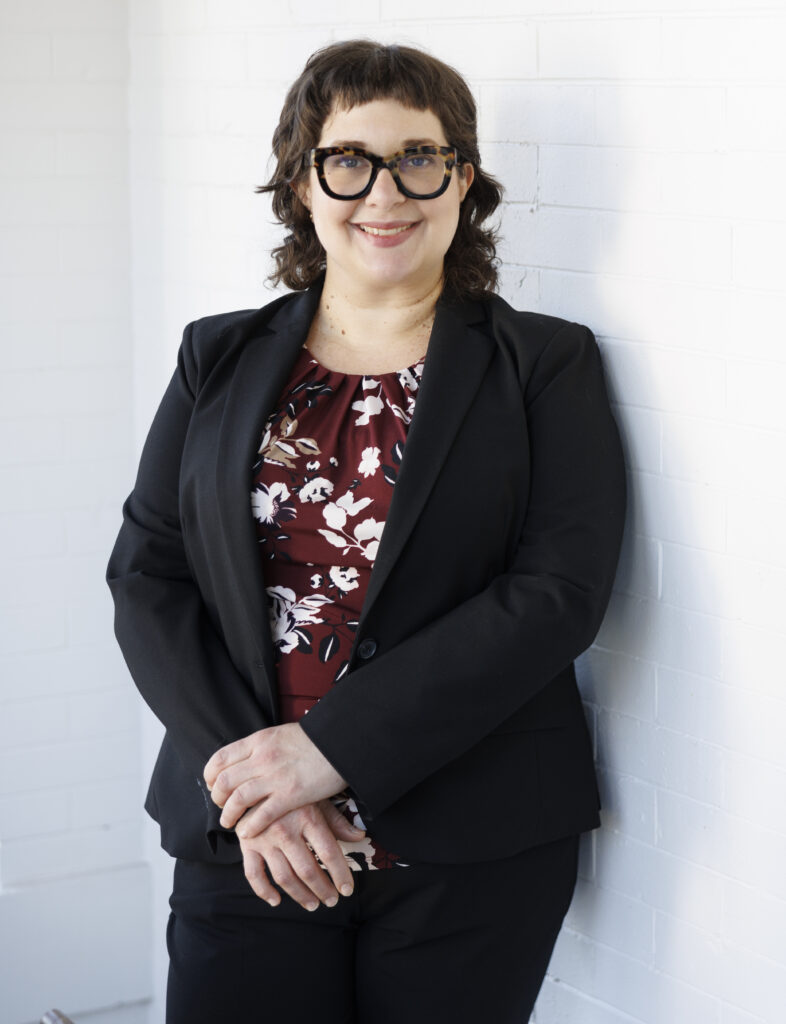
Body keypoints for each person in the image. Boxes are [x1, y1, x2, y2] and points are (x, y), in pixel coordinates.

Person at [107, 39, 626, 1024]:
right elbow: (149, 572)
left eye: (418, 158)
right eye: (348, 158)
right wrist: (263, 781)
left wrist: (330, 750)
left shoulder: (544, 364)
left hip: (471, 840)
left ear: (462, 180)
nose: (384, 191)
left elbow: (557, 593)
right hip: (246, 835)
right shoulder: (215, 354)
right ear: (302, 181)